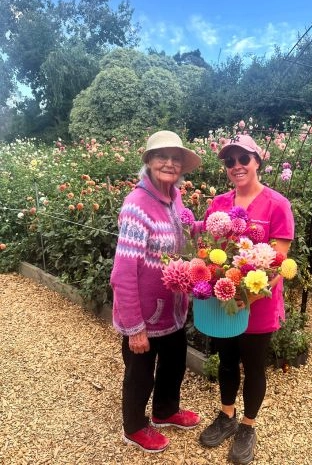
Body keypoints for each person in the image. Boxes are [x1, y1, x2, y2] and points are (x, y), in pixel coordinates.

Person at [199, 134, 295, 464]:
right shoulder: (219, 204)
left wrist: (248, 299)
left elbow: (278, 263)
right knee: (226, 360)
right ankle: (227, 415)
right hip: (225, 303)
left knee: (253, 367)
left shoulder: (277, 204)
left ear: (257, 162)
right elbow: (209, 251)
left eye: (243, 159)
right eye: (230, 161)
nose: (236, 166)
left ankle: (248, 426)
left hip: (259, 304)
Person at [110, 130, 202, 453]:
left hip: (172, 310)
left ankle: (165, 410)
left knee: (174, 363)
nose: (169, 163)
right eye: (162, 156)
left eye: (175, 158)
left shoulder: (175, 198)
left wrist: (208, 230)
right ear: (149, 161)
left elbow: (182, 237)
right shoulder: (136, 206)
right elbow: (123, 272)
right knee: (140, 374)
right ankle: (134, 426)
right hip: (145, 316)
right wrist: (135, 327)